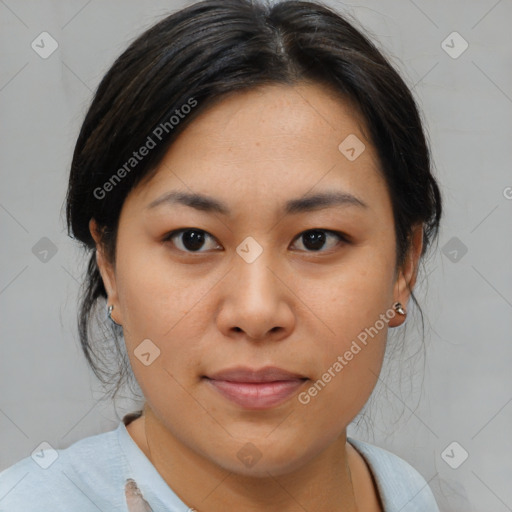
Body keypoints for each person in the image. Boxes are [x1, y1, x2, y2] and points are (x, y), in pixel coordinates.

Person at [0, 0, 442, 510]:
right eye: (193, 239)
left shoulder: (404, 492)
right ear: (110, 264)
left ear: (404, 265)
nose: (255, 313)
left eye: (317, 239)